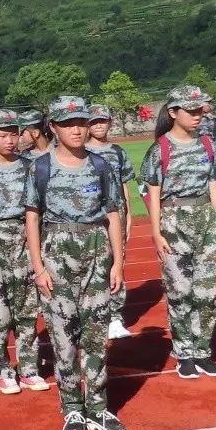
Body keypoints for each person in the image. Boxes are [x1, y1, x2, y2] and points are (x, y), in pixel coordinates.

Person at [26, 97, 126, 430]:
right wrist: (38, 267)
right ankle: (72, 409)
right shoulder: (40, 167)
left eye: (82, 122)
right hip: (56, 253)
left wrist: (118, 263)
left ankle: (98, 407)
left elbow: (113, 213)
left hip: (97, 254)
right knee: (63, 338)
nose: (77, 129)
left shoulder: (101, 165)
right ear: (53, 127)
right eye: (68, 123)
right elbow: (32, 216)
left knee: (96, 337)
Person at [141, 86, 216, 379]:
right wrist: (156, 232)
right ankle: (184, 352)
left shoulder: (208, 144)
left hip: (205, 217)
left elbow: (215, 183)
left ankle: (203, 351)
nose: (197, 116)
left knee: (206, 292)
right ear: (173, 112)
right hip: (173, 220)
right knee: (180, 291)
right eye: (190, 111)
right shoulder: (160, 149)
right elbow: (153, 192)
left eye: (200, 110)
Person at [0, 110, 47, 394]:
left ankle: (28, 368)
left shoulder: (30, 166)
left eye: (14, 133)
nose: (10, 140)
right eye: (3, 135)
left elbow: (37, 210)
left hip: (25, 241)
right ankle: (3, 369)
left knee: (28, 312)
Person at [86, 104, 136, 339]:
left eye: (102, 121)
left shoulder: (117, 152)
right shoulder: (82, 151)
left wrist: (129, 215)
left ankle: (115, 315)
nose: (98, 126)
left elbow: (125, 185)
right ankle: (95, 313)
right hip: (93, 214)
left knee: (117, 261)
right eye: (94, 122)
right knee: (93, 262)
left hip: (116, 212)